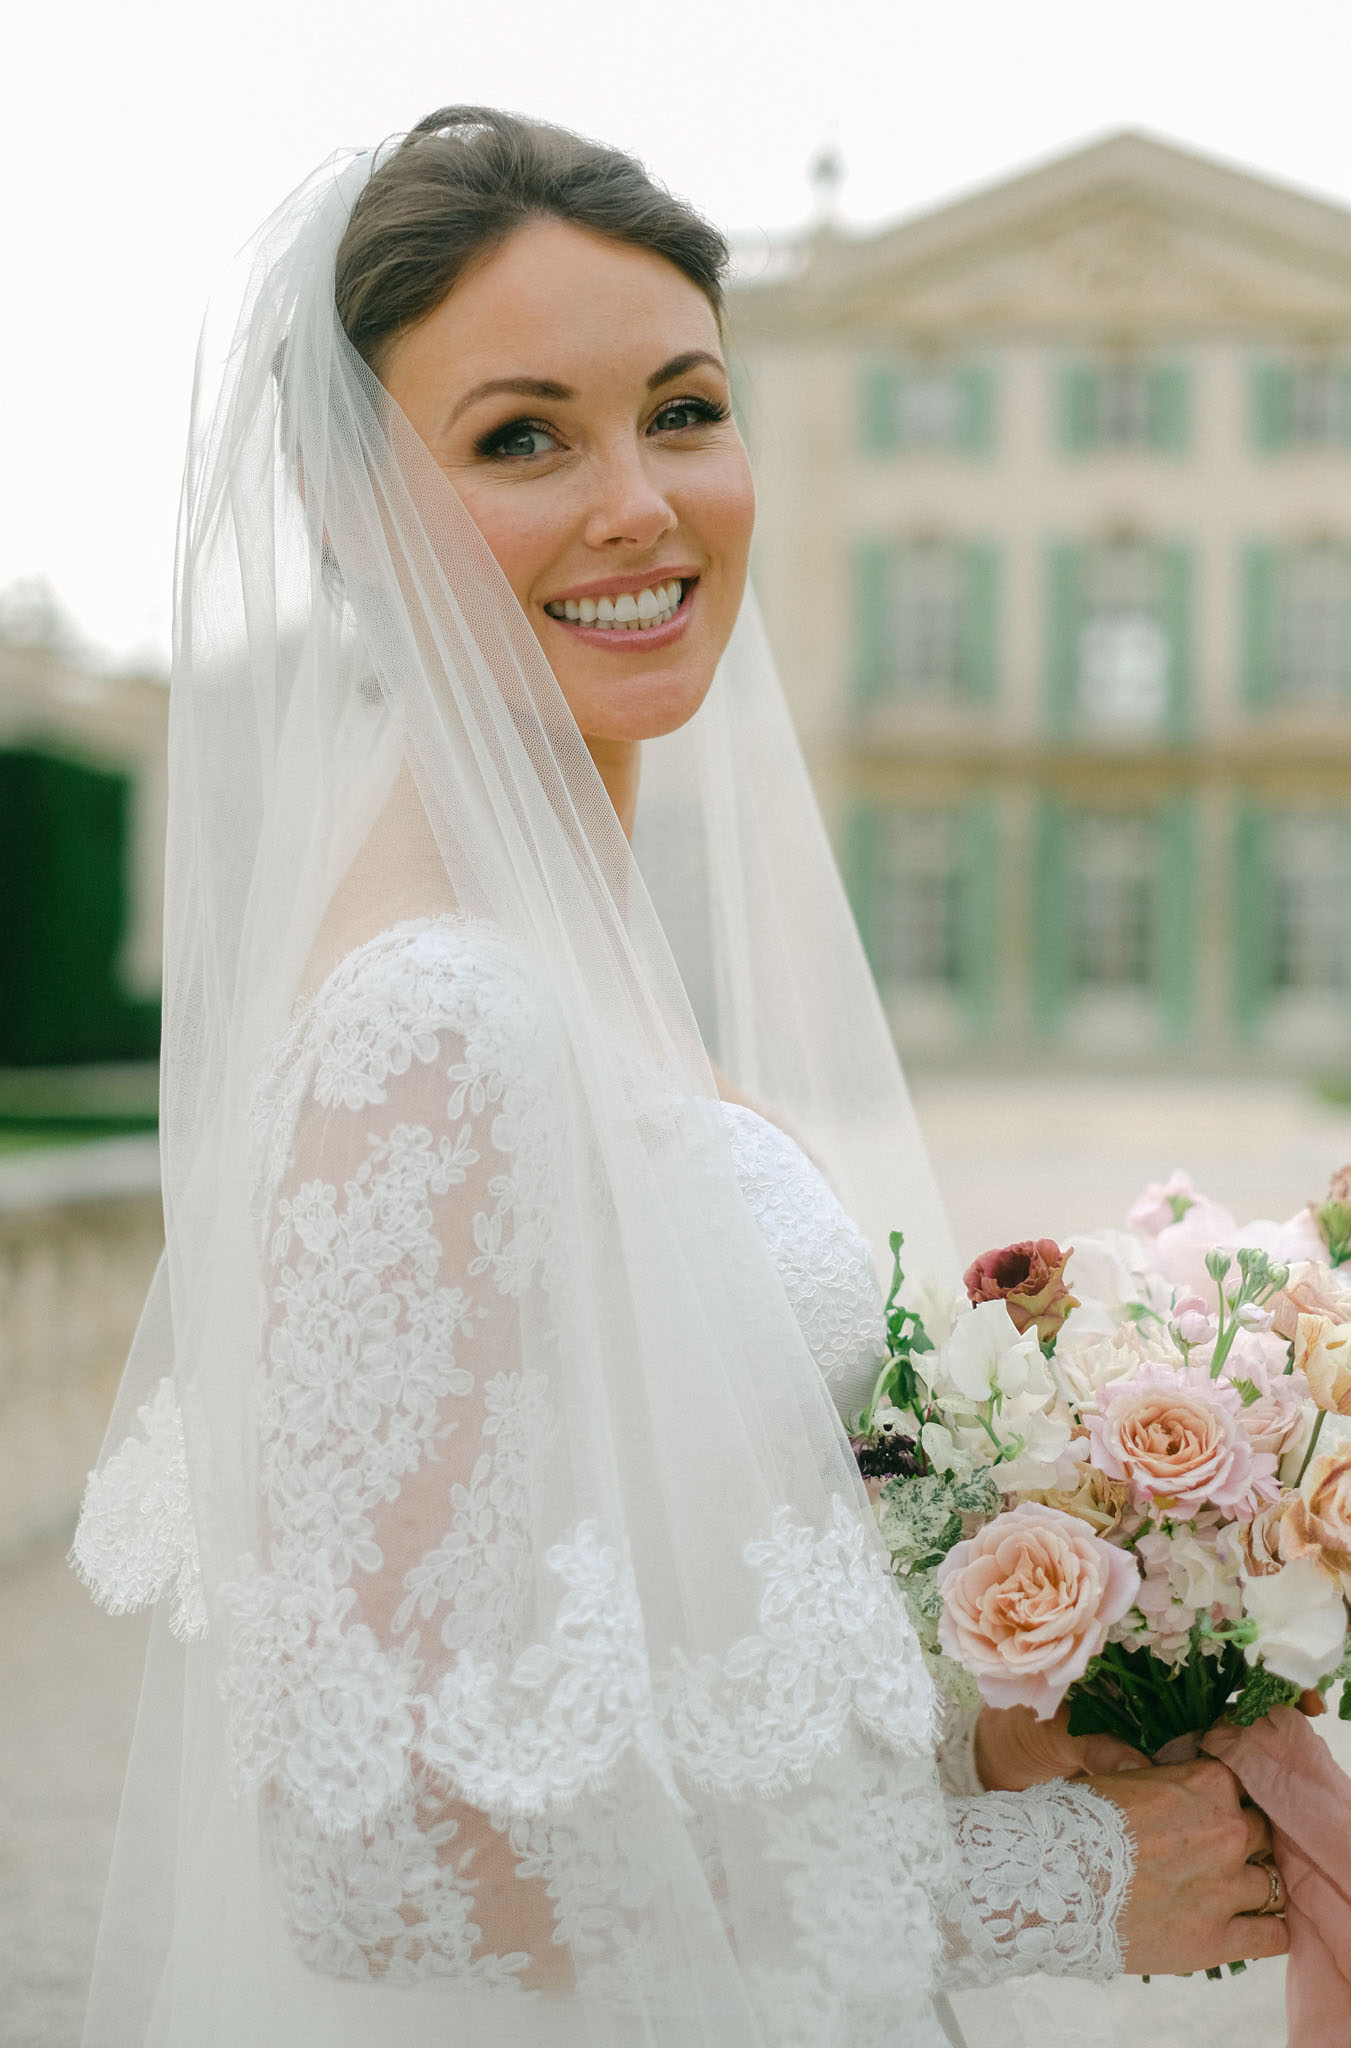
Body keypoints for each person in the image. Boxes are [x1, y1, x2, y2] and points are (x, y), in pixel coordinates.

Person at [71, 107, 1288, 2048]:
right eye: (521, 436)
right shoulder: (438, 1020)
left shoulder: (567, 949)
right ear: (336, 503)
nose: (637, 504)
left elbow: (664, 1646)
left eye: (686, 410)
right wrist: (1057, 1886)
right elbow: (375, 1859)